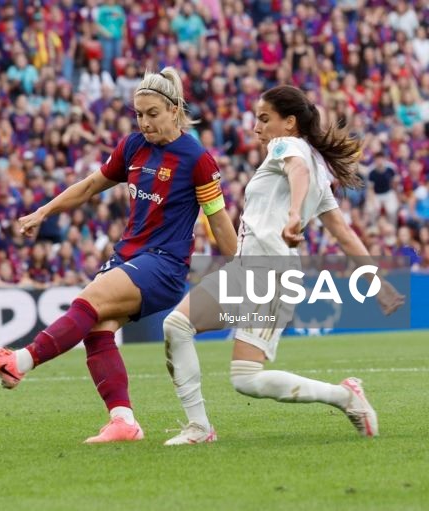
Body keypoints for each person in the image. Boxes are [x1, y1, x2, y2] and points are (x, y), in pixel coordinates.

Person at [0, 67, 238, 443]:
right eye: (139, 115)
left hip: (164, 264)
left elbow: (219, 221)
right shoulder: (133, 147)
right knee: (97, 331)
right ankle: (123, 421)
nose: (144, 123)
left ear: (174, 110)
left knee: (88, 300)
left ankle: (18, 362)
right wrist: (44, 211)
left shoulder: (197, 158)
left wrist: (244, 267)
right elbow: (92, 185)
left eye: (153, 114)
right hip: (129, 255)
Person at [162, 85, 406, 446]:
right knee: (177, 325)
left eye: (264, 119)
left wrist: (294, 214)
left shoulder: (288, 147)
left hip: (269, 274)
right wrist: (380, 284)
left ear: (289, 123)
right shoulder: (317, 171)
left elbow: (297, 172)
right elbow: (343, 233)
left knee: (245, 378)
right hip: (245, 271)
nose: (257, 128)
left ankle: (345, 396)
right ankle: (199, 428)